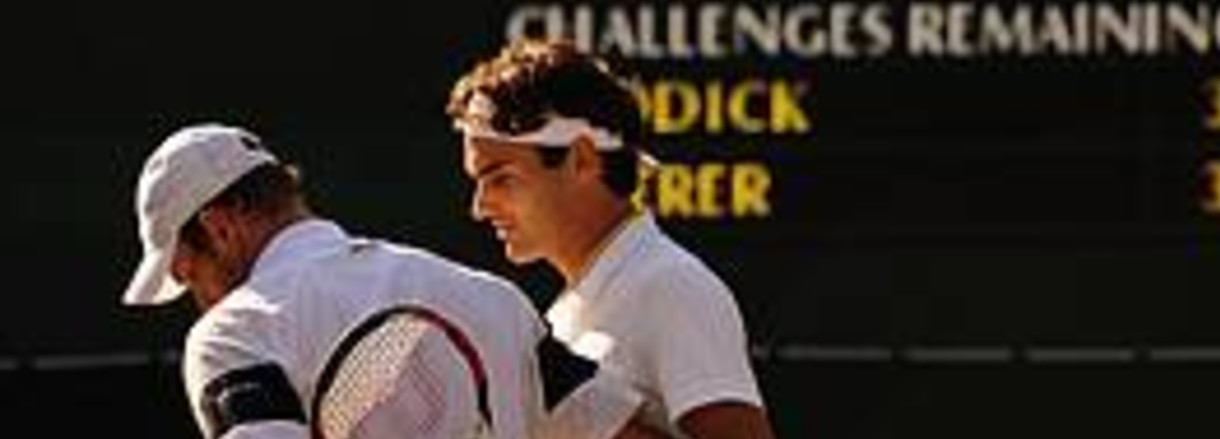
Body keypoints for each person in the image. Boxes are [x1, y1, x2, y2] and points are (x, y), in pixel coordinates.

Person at [120, 121, 664, 439]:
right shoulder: (495, 300)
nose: (198, 298)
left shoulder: (232, 336)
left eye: (188, 274)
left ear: (219, 228)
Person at [446, 38, 779, 439]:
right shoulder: (569, 313)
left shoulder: (672, 287)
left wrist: (589, 417)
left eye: (501, 178)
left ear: (582, 160)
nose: (480, 207)